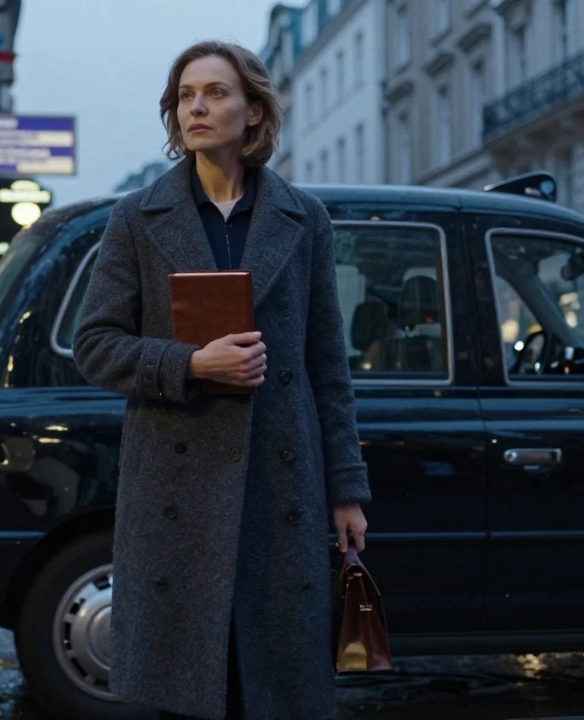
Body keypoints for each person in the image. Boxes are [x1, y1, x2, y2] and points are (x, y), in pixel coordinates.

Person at [72, 41, 370, 720]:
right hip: (175, 486)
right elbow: (94, 346)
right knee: (188, 691)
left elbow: (328, 367)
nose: (196, 108)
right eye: (185, 96)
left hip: (279, 481)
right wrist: (190, 364)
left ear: (254, 110)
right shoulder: (137, 218)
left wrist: (347, 490)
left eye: (214, 92)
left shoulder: (304, 218)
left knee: (273, 689)